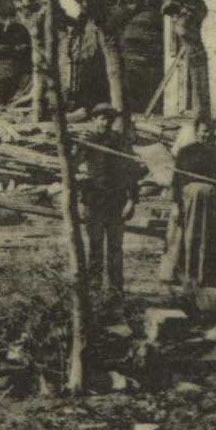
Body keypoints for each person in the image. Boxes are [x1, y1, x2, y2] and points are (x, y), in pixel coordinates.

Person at [162, 120, 216, 290]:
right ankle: (187, 276)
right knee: (188, 237)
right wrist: (175, 205)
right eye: (203, 131)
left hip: (212, 203)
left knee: (210, 239)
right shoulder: (186, 152)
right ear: (196, 132)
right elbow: (177, 180)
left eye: (209, 131)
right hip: (190, 202)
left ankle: (208, 277)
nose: (206, 135)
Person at [75, 105, 142, 292]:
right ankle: (94, 288)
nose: (105, 122)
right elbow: (74, 171)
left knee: (115, 248)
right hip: (93, 200)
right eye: (101, 119)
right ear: (94, 120)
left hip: (116, 202)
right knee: (95, 247)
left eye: (109, 119)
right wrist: (81, 201)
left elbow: (132, 172)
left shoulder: (120, 142)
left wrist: (131, 201)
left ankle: (115, 289)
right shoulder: (87, 142)